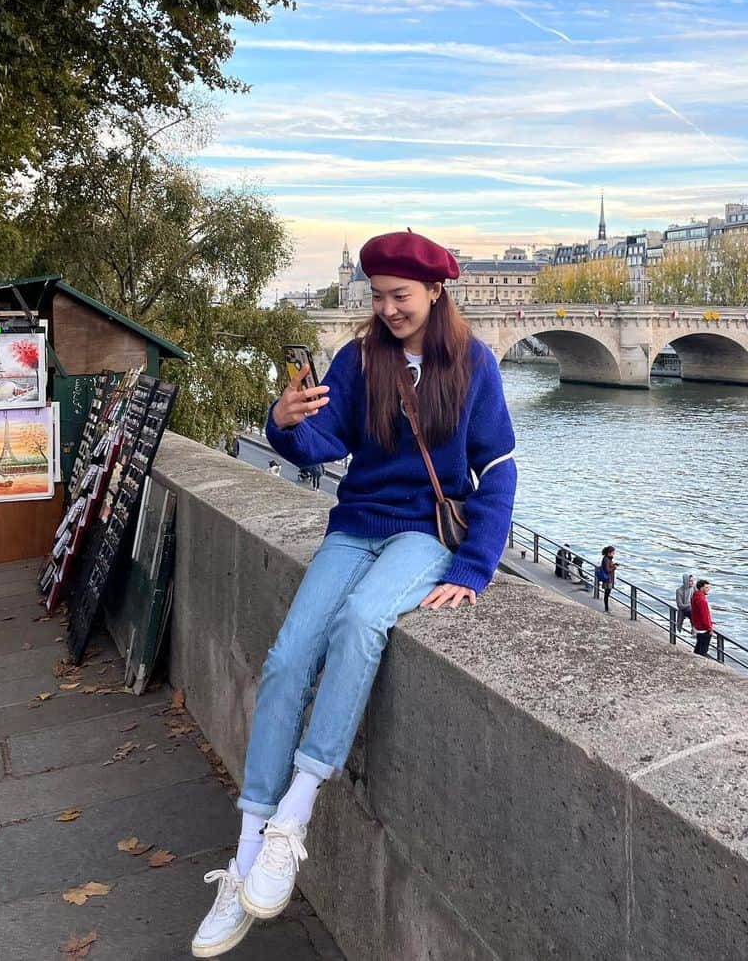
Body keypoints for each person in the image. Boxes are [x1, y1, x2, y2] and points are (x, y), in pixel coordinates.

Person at [191, 231, 517, 957]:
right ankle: (248, 849)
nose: (388, 308)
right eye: (378, 297)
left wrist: (472, 570)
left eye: (400, 296)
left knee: (365, 621)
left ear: (436, 292)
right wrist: (283, 422)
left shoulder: (474, 365)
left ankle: (295, 816)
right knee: (285, 658)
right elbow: (322, 446)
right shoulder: (356, 358)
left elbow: (496, 470)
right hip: (356, 525)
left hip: (423, 534)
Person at [690, 578, 713, 656]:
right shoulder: (701, 600)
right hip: (703, 628)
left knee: (698, 646)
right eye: (706, 587)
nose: (708, 589)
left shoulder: (695, 596)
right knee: (703, 650)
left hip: (697, 626)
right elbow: (704, 616)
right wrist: (709, 628)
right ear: (701, 588)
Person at [596, 546, 618, 612]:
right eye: (613, 552)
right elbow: (607, 570)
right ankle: (606, 608)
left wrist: (614, 564)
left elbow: (608, 567)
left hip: (609, 579)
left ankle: (607, 608)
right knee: (607, 594)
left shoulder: (608, 559)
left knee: (607, 594)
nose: (614, 554)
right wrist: (614, 567)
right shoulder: (606, 559)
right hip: (608, 580)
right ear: (609, 553)